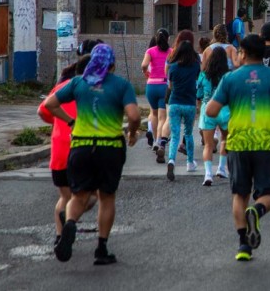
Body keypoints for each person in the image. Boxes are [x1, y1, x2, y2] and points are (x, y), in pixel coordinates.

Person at [205, 34, 270, 262]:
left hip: (239, 143)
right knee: (268, 193)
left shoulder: (230, 78)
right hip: (268, 143)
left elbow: (211, 111)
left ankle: (243, 245)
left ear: (243, 53)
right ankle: (256, 211)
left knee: (240, 194)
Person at [45, 44, 139, 265]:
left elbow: (50, 104)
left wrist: (70, 122)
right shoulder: (122, 85)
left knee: (78, 196)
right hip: (110, 148)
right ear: (112, 65)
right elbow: (134, 116)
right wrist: (132, 132)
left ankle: (70, 224)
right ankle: (101, 249)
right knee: (106, 197)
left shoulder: (78, 83)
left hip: (81, 147)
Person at [37, 54, 95, 248]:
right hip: (82, 149)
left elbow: (42, 110)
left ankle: (60, 237)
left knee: (65, 197)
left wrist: (58, 121)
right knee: (91, 195)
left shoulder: (61, 87)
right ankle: (71, 219)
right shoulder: (93, 89)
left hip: (60, 149)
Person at [164, 38, 201, 181]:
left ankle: (171, 160)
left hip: (175, 103)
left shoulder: (173, 67)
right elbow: (197, 81)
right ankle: (190, 163)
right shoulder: (195, 66)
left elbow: (170, 86)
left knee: (174, 135)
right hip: (190, 103)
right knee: (188, 134)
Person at [197, 47, 231, 186]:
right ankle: (221, 168)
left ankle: (208, 174)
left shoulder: (204, 75)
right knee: (225, 140)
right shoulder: (228, 75)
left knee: (208, 145)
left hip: (208, 108)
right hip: (225, 109)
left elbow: (198, 93)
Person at [141, 28, 172, 162]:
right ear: (168, 38)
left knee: (153, 114)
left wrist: (146, 73)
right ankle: (159, 141)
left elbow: (144, 65)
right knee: (162, 117)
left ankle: (154, 141)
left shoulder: (150, 51)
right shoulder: (171, 52)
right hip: (164, 85)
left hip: (151, 85)